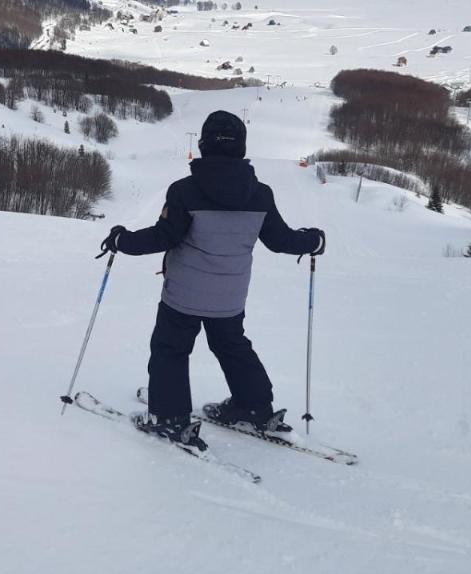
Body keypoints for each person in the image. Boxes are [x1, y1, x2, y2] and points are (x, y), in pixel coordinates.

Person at [98, 110, 324, 451]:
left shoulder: (184, 191)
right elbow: (281, 241)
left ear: (203, 145)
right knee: (232, 346)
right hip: (230, 297)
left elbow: (164, 236)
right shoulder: (260, 194)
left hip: (183, 296)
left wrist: (122, 240)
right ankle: (254, 407)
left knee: (170, 349)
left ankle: (170, 418)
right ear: (241, 147)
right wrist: (312, 240)